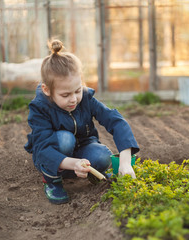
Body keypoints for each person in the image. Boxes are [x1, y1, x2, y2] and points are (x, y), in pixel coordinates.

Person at [24, 40, 139, 204]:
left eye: (77, 91)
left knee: (103, 156)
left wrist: (125, 163)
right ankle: (52, 180)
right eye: (65, 95)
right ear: (47, 90)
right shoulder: (40, 108)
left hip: (81, 151)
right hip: (52, 156)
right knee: (65, 139)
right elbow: (44, 150)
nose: (74, 100)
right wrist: (74, 163)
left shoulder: (85, 99)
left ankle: (83, 172)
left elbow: (116, 122)